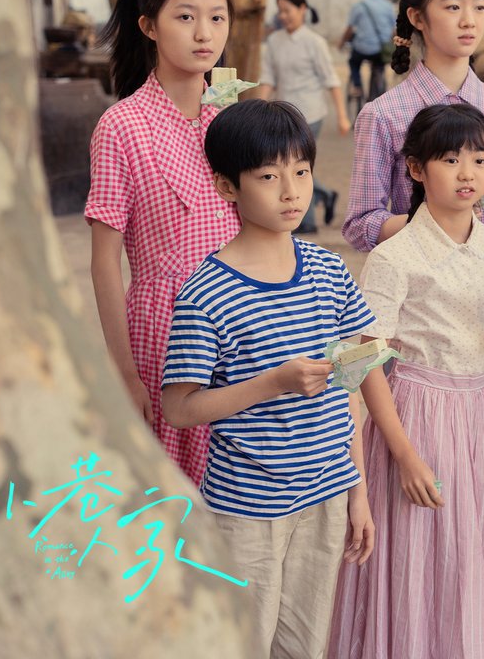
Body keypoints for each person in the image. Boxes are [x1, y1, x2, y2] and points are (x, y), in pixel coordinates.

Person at [161, 99, 375, 658]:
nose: (290, 191)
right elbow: (180, 408)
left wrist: (359, 492)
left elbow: (352, 384)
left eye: (301, 172)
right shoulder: (204, 293)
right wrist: (273, 383)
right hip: (247, 506)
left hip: (327, 489)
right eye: (268, 176)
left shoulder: (328, 270)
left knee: (304, 647)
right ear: (227, 187)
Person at [330, 103, 484, 658]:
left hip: (476, 413)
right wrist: (402, 454)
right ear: (416, 169)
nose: (468, 173)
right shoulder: (394, 256)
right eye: (450, 159)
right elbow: (365, 361)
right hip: (415, 414)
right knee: (419, 554)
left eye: (481, 159)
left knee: (472, 556)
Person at [342, 0, 484, 463]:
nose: (469, 20)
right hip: (419, 315)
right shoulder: (384, 115)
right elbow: (360, 225)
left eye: (478, 6)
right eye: (452, 6)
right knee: (419, 454)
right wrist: (439, 227)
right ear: (417, 17)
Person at [85, 0, 241, 483]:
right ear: (148, 25)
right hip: (165, 334)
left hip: (247, 328)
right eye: (186, 17)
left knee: (246, 504)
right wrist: (125, 375)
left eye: (218, 18)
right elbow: (104, 262)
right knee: (178, 506)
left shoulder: (233, 117)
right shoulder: (121, 126)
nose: (205, 34)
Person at [256, 0, 349, 235]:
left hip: (311, 113)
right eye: (280, 11)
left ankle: (306, 222)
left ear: (302, 9)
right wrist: (256, 109)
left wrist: (342, 115)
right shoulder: (274, 42)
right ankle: (325, 195)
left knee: (297, 164)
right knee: (290, 164)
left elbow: (331, 80)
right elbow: (268, 79)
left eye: (288, 10)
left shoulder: (314, 42)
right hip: (284, 115)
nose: (284, 15)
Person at [340, 0, 396, 101]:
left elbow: (349, 29)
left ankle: (357, 86)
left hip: (362, 49)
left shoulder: (358, 6)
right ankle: (381, 85)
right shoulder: (388, 6)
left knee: (353, 62)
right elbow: (394, 30)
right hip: (381, 50)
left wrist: (342, 43)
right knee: (380, 65)